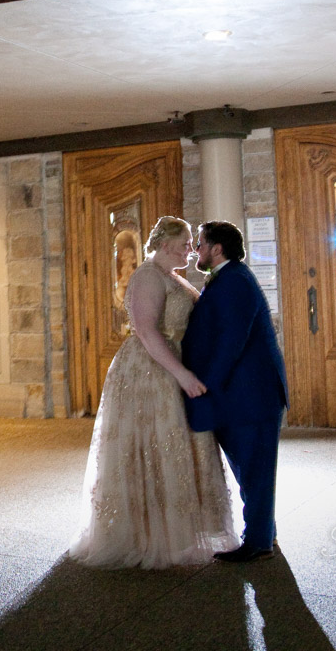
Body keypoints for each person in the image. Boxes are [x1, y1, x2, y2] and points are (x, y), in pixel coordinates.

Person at [69, 216, 236, 568]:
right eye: (185, 243)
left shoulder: (172, 276)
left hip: (171, 363)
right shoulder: (147, 275)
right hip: (149, 370)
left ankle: (175, 532)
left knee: (172, 445)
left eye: (192, 244)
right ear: (164, 244)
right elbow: (146, 332)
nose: (191, 250)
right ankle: (144, 535)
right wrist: (181, 374)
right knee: (151, 444)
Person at [181, 220, 289, 563]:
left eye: (200, 244)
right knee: (249, 470)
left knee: (255, 470)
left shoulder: (235, 281)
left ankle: (258, 542)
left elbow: (232, 340)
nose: (196, 251)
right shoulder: (227, 277)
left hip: (251, 394)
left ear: (217, 249)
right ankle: (262, 534)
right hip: (240, 394)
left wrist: (204, 385)